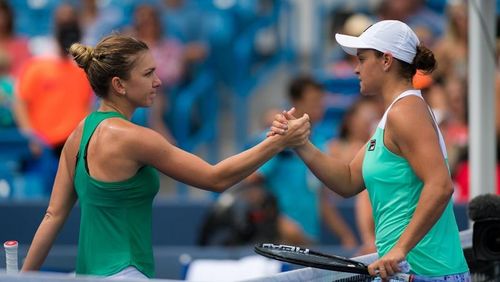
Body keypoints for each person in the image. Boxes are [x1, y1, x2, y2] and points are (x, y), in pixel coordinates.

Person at [20, 34, 310, 279]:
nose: (158, 81)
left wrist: (21, 278)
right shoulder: (135, 138)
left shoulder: (80, 133)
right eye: (148, 74)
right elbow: (215, 178)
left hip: (85, 274)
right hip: (126, 273)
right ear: (119, 85)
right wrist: (277, 143)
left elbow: (52, 215)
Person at [270, 20, 469, 280]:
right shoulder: (395, 115)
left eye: (362, 59)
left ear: (386, 61)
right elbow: (348, 181)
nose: (355, 69)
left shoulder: (406, 112)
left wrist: (399, 249)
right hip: (412, 273)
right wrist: (300, 143)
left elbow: (440, 186)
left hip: (427, 273)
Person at [246, 76, 358, 248]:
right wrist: (277, 221)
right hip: (276, 243)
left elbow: (320, 199)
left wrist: (345, 235)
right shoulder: (275, 138)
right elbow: (250, 185)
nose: (319, 107)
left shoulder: (320, 142)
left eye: (321, 101)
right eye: (313, 101)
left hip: (308, 241)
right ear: (295, 102)